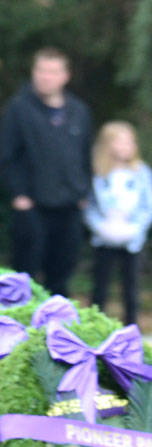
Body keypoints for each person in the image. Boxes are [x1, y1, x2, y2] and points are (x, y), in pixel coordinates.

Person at [0, 48, 93, 297]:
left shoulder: (79, 111)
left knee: (61, 274)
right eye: (40, 70)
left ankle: (58, 332)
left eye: (52, 71)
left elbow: (85, 155)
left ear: (65, 76)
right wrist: (19, 194)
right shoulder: (19, 109)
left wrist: (83, 192)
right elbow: (7, 155)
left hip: (70, 205)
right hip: (32, 205)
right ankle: (24, 331)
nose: (45, 77)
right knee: (26, 277)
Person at [84, 121, 152, 326]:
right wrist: (99, 226)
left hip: (132, 241)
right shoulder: (97, 174)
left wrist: (136, 228)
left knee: (131, 288)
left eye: (129, 142)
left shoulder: (141, 172)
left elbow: (151, 204)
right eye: (120, 142)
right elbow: (88, 205)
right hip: (103, 239)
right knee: (100, 287)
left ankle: (132, 329)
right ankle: (94, 327)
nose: (125, 147)